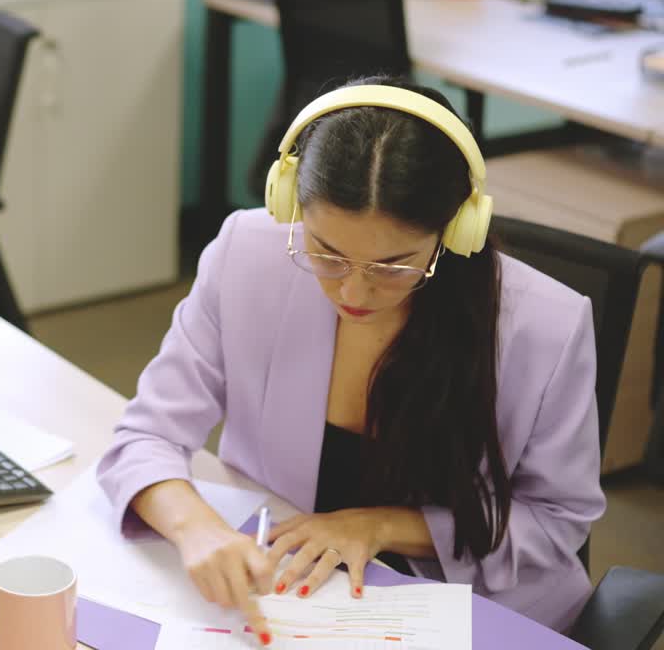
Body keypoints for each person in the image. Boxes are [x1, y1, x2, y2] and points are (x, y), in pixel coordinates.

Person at [97, 77, 605, 644]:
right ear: (289, 202)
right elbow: (144, 437)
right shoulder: (246, 253)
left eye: (393, 266)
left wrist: (379, 526)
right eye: (327, 254)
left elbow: (557, 518)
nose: (354, 294)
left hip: (470, 608)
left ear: (457, 232)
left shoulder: (547, 325)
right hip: (291, 589)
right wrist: (198, 532)